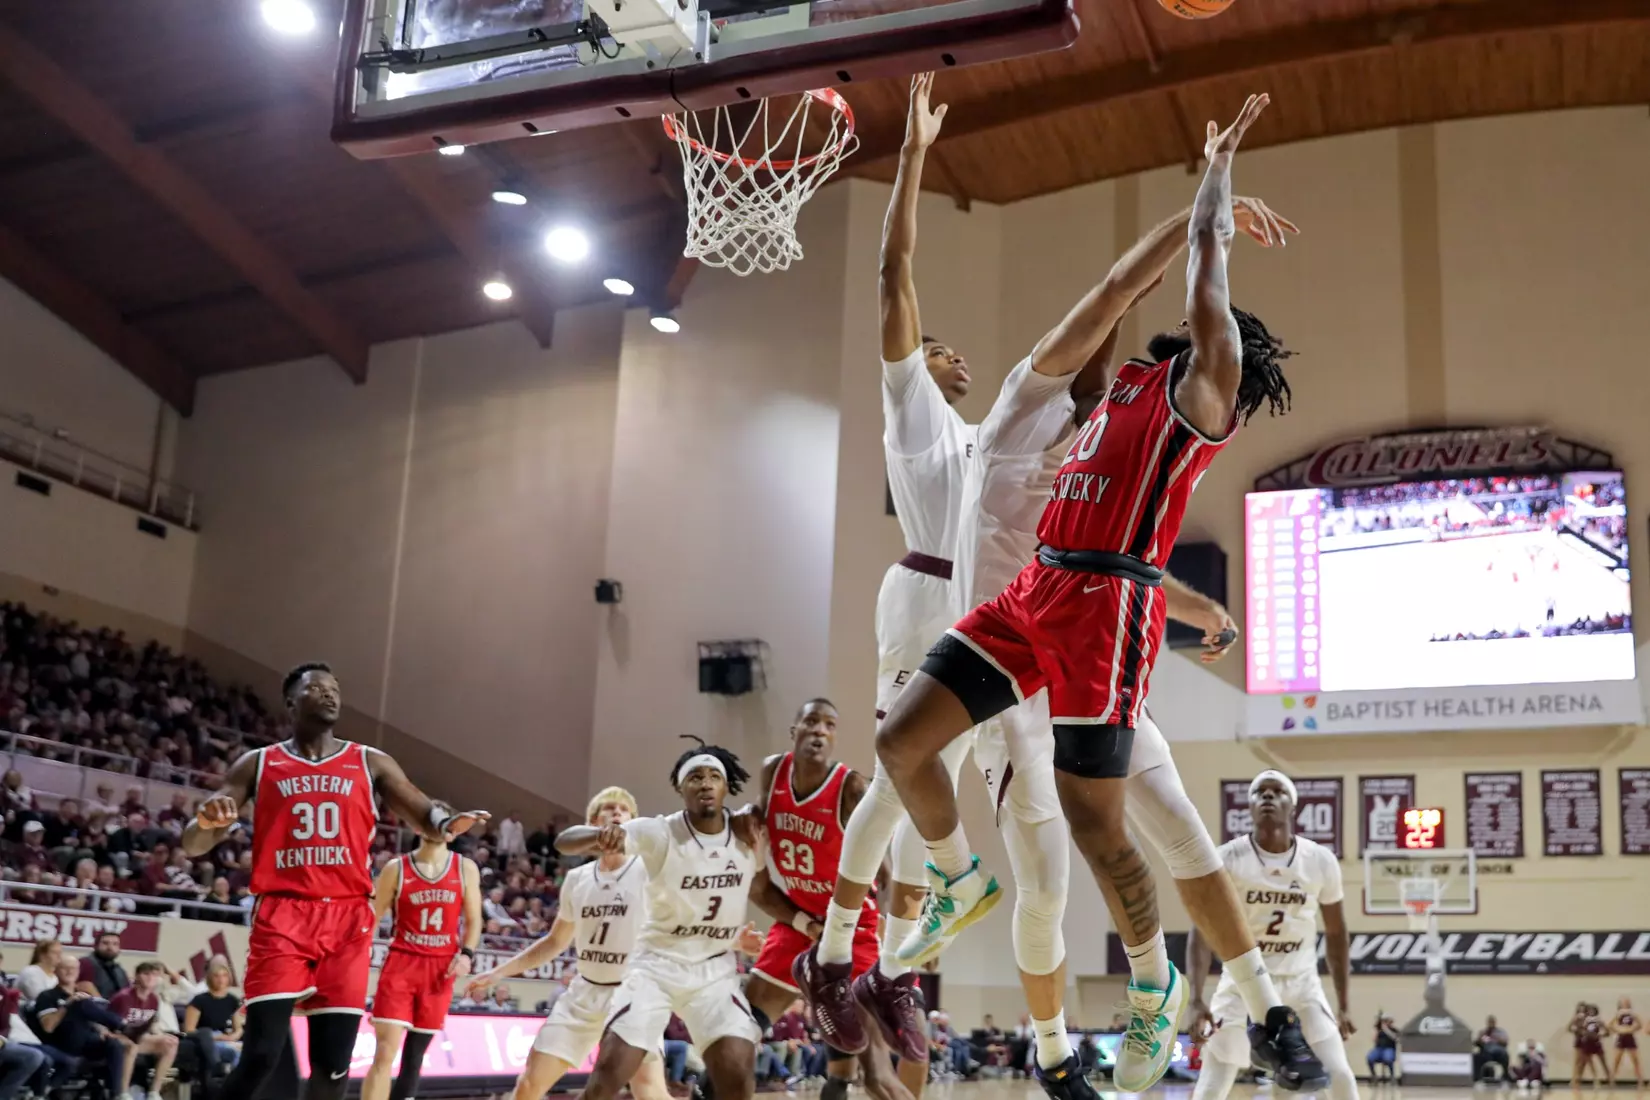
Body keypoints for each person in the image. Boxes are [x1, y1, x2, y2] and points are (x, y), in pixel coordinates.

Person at [860, 92, 1321, 1092]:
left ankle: (1182, 992)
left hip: (1102, 623)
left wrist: (1215, 198)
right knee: (906, 752)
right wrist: (1203, 196)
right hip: (1031, 603)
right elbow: (1118, 288)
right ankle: (966, 913)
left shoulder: (1201, 401)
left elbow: (1198, 286)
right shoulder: (1065, 398)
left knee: (1120, 831)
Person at [799, 72, 977, 1077]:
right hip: (922, 587)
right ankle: (836, 958)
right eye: (938, 350)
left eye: (959, 354)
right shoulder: (913, 410)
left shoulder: (983, 440)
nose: (954, 357)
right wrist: (912, 157)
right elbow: (894, 274)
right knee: (907, 765)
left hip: (978, 609)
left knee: (936, 788)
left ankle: (894, 968)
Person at [180, 661, 488, 1100]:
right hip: (283, 915)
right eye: (316, 688)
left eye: (334, 688)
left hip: (347, 920)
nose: (329, 694)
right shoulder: (259, 763)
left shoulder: (369, 761)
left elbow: (426, 814)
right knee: (262, 1054)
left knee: (333, 1065)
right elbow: (193, 843)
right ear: (291, 702)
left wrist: (447, 822)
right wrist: (206, 821)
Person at [553, 740, 764, 1100]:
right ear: (680, 788)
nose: (705, 783)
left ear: (727, 786)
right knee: (611, 1069)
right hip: (656, 966)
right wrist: (600, 837)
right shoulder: (657, 831)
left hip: (713, 971)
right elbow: (564, 841)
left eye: (714, 776)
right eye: (694, 776)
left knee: (738, 1069)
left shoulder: (747, 831)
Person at [745, 700, 911, 1100]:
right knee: (737, 1029)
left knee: (873, 1073)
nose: (819, 730)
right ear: (794, 730)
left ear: (835, 737)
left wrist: (891, 929)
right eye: (811, 721)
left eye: (829, 725)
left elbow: (885, 875)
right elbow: (760, 844)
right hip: (798, 919)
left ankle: (845, 1078)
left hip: (851, 929)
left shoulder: (851, 787)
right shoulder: (773, 772)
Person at [466, 787, 671, 1100]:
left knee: (649, 1089)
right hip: (584, 993)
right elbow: (554, 942)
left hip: (633, 994)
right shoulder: (577, 879)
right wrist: (497, 972)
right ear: (592, 822)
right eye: (609, 808)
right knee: (530, 1084)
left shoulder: (648, 870)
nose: (617, 813)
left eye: (624, 810)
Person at [1187, 772, 1355, 1100]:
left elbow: (1336, 934)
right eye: (1259, 792)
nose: (1267, 797)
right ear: (1248, 806)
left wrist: (1344, 1004)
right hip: (1242, 986)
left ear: (1293, 806)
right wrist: (1195, 998)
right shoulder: (1226, 859)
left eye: (1277, 792)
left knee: (1341, 1078)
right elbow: (1202, 930)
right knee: (1212, 1082)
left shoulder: (1320, 861)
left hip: (1300, 986)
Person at [363, 802, 484, 1100]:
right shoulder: (396, 868)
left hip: (440, 970)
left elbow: (474, 920)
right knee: (384, 1053)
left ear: (453, 831)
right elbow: (371, 920)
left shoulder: (465, 868)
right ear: (417, 827)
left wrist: (466, 954)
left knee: (414, 1059)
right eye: (430, 822)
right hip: (401, 964)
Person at [34, 956, 130, 1100]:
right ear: (56, 971)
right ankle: (125, 1025)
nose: (69, 971)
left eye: (73, 968)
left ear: (79, 971)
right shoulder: (46, 995)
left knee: (114, 1044)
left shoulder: (85, 996)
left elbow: (89, 1019)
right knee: (79, 1002)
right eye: (65, 968)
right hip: (61, 1043)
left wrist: (101, 1029)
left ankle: (116, 1095)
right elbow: (48, 1027)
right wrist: (67, 1005)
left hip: (86, 1041)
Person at [109, 961, 182, 1099]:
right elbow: (116, 1027)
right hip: (113, 1037)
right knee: (133, 1045)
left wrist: (161, 1036)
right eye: (146, 974)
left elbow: (149, 1025)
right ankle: (123, 1093)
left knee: (171, 1042)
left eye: (154, 975)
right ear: (137, 976)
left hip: (137, 1037)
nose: (150, 978)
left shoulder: (154, 999)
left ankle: (154, 1092)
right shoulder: (124, 997)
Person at [183, 956, 243, 1089]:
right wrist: (219, 1038)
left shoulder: (232, 1000)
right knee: (234, 1053)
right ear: (210, 978)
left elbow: (238, 1028)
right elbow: (189, 1030)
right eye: (216, 976)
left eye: (224, 975)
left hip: (227, 1039)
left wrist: (234, 1036)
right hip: (206, 1040)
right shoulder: (199, 1001)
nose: (221, 979)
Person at [77, 932, 129, 998]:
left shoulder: (120, 970)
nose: (110, 947)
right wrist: (102, 1005)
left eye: (115, 944)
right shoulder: (85, 963)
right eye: (105, 943)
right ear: (96, 945)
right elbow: (83, 986)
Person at [1610, 998, 1641, 1087]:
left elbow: (1639, 1025)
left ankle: (1640, 1081)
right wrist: (1619, 1029)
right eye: (1624, 1002)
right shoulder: (1618, 1014)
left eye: (1627, 1002)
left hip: (1630, 1038)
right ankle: (1612, 1080)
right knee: (1617, 1060)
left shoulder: (1632, 1014)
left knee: (1635, 1060)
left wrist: (1632, 1029)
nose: (1626, 1004)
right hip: (1621, 1038)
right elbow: (1610, 1025)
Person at [1476, 1015, 1511, 1082]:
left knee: (1505, 1055)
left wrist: (1496, 1038)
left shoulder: (1500, 1032)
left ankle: (1505, 1075)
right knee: (1479, 1056)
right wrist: (1480, 1038)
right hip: (1486, 1052)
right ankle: (1486, 1076)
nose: (1491, 1024)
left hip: (1499, 1052)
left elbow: (1505, 1042)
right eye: (1490, 1022)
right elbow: (1477, 1042)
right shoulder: (1483, 1032)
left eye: (1492, 1022)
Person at [1367, 1015, 1399, 1083]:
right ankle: (1374, 1076)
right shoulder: (1379, 1031)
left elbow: (1395, 1038)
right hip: (1379, 1049)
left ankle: (1392, 1076)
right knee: (1370, 1058)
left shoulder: (1394, 1030)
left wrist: (1386, 1030)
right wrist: (1377, 1030)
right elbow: (1374, 1040)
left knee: (1388, 1059)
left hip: (1389, 1049)